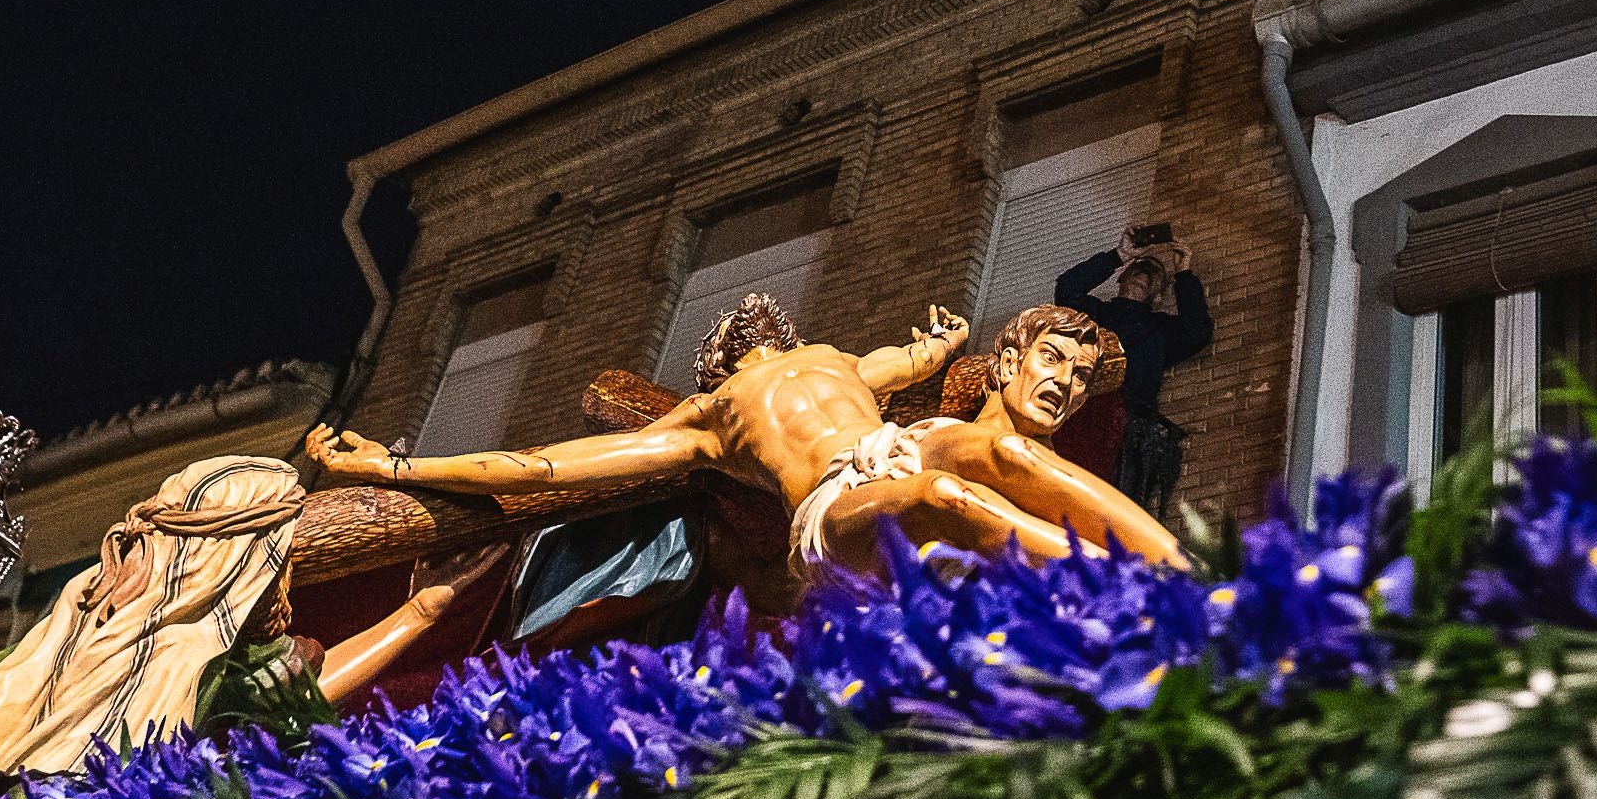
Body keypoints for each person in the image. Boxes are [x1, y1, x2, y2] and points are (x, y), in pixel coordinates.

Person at [310, 292, 1186, 573]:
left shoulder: (839, 361)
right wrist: (400, 464)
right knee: (948, 496)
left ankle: (1179, 570)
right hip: (838, 504)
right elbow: (542, 468)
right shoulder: (705, 419)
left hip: (900, 444)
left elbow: (910, 364)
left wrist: (944, 346)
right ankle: (1124, 585)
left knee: (1005, 449)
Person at [1055, 227, 1213, 513]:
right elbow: (1067, 289)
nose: (1143, 274)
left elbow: (1197, 333)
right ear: (1121, 277)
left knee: (1104, 508)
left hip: (1126, 425)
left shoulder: (1160, 330)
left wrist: (1184, 274)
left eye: (1153, 276)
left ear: (1158, 296)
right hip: (1080, 414)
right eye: (1139, 269)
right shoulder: (1094, 315)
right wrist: (1119, 255)